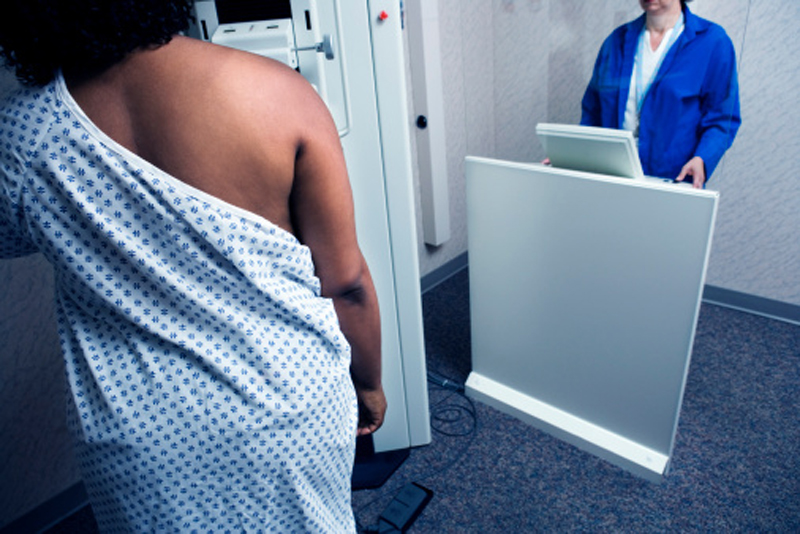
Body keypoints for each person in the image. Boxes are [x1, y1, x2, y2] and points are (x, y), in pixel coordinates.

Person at [0, 1, 385, 531]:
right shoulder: (278, 93)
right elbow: (346, 283)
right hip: (287, 406)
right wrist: (368, 385)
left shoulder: (24, 135)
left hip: (138, 437)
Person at [581, 0, 741, 188]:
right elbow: (592, 113)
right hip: (613, 175)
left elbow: (722, 118)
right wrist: (572, 155)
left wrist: (702, 158)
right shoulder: (616, 40)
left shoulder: (713, 42)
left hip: (673, 180)